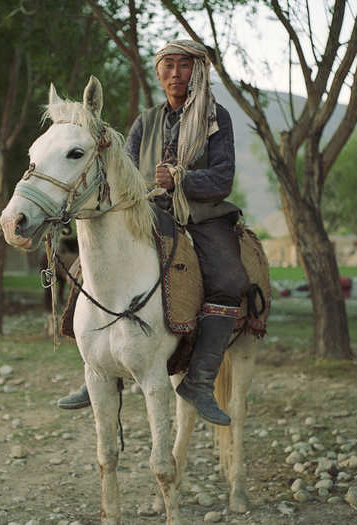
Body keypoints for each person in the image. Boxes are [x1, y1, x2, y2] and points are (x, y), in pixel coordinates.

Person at [58, 40, 249, 426]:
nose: (176, 73)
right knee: (85, 269)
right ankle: (97, 369)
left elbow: (223, 178)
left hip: (204, 215)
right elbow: (121, 171)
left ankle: (199, 380)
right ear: (159, 73)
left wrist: (182, 178)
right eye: (168, 66)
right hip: (148, 213)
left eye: (184, 66)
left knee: (229, 279)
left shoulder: (217, 118)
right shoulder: (145, 121)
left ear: (198, 72)